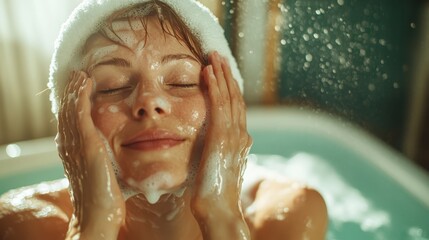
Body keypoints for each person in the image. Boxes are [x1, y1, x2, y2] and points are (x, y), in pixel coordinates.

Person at [0, 0, 328, 239]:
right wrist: (93, 224)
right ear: (73, 120)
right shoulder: (23, 225)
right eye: (113, 86)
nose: (149, 101)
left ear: (227, 106)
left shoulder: (286, 217)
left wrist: (222, 217)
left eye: (182, 81)